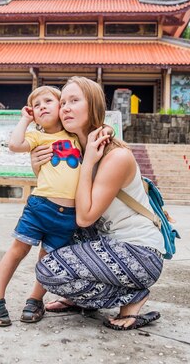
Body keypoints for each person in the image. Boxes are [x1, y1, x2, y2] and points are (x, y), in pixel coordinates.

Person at [33, 76, 166, 331]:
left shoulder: (115, 156)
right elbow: (61, 201)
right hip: (108, 243)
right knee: (57, 230)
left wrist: (90, 163)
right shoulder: (76, 151)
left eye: (74, 101)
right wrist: (36, 165)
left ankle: (133, 296)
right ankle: (79, 297)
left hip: (140, 252)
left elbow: (85, 217)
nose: (66, 108)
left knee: (48, 272)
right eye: (63, 103)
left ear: (93, 106)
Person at [0, 85, 82, 327]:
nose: (42, 107)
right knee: (18, 250)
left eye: (48, 101)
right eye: (37, 106)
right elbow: (14, 145)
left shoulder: (76, 137)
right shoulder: (38, 136)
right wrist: (24, 120)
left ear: (61, 107)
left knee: (48, 258)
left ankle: (35, 299)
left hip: (68, 215)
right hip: (40, 207)